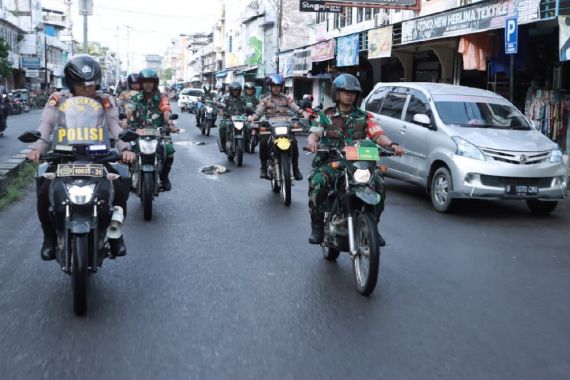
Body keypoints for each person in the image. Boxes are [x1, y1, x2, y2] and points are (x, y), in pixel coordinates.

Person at [26, 54, 136, 260]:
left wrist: (125, 149)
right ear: (71, 82)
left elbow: (113, 125)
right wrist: (37, 148)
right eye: (82, 84)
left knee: (122, 182)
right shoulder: (57, 99)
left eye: (92, 84)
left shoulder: (105, 100)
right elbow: (47, 124)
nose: (88, 89)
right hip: (64, 155)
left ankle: (115, 235)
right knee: (43, 187)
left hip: (98, 155)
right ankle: (49, 238)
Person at [306, 73, 405, 245]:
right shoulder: (324, 115)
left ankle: (373, 225)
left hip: (358, 164)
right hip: (332, 162)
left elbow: (378, 135)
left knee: (379, 184)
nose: (349, 94)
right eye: (345, 91)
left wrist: (392, 145)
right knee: (318, 182)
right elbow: (314, 133)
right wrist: (312, 143)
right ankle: (317, 227)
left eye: (353, 92)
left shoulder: (365, 116)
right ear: (337, 93)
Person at [128, 68, 178, 191]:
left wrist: (170, 123)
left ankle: (164, 177)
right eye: (145, 82)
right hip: (137, 133)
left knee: (169, 151)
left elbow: (166, 112)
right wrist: (125, 121)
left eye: (151, 82)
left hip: (159, 132)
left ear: (155, 83)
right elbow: (129, 110)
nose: (148, 84)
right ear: (141, 83)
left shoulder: (162, 97)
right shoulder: (134, 98)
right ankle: (131, 175)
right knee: (127, 152)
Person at [250, 73, 303, 180]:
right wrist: (253, 117)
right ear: (270, 87)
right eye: (273, 86)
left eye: (278, 86)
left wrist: (302, 112)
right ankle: (263, 168)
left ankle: (296, 169)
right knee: (264, 142)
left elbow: (295, 108)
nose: (276, 88)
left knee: (294, 144)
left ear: (281, 87)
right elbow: (259, 112)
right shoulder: (265, 100)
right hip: (270, 126)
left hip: (285, 125)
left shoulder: (287, 99)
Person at [218, 81, 246, 152]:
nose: (235, 92)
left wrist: (250, 111)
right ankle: (223, 145)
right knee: (222, 127)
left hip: (241, 118)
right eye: (234, 90)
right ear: (231, 90)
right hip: (228, 118)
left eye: (237, 90)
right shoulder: (226, 97)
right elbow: (222, 103)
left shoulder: (243, 98)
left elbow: (248, 106)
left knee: (249, 127)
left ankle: (247, 144)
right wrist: (221, 106)